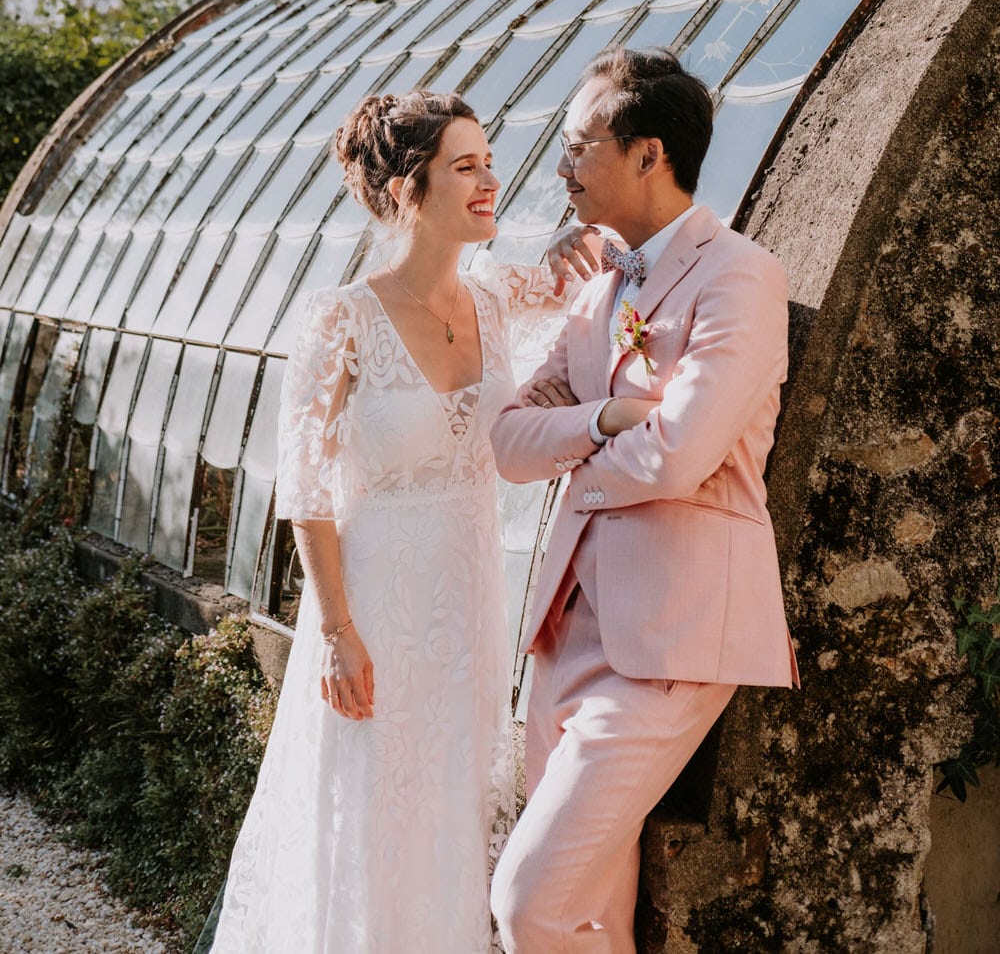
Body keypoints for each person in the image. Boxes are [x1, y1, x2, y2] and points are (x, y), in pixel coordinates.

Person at [209, 89, 597, 954]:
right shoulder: (338, 319)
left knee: (455, 803)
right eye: (466, 166)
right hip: (372, 607)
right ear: (404, 189)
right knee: (370, 810)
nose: (491, 178)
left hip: (468, 603)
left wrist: (578, 246)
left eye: (490, 160)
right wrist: (339, 630)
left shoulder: (498, 297)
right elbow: (304, 491)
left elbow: (581, 283)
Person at [489, 47, 800, 954]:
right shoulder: (597, 293)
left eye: (579, 144)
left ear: (647, 154)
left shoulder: (739, 274)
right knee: (589, 915)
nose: (561, 166)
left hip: (671, 636)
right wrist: (611, 416)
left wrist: (581, 463)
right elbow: (508, 444)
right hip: (563, 636)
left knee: (528, 900)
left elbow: (680, 457)